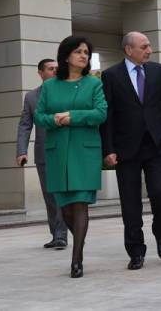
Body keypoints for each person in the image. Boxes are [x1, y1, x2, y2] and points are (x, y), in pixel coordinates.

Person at [100, 32, 161, 271]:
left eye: (149, 46)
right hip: (126, 149)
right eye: (144, 46)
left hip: (156, 146)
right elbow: (108, 116)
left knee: (159, 194)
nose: (149, 50)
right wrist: (109, 148)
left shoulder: (158, 71)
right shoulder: (111, 76)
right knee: (130, 202)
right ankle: (135, 251)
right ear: (128, 50)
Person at [34, 36, 107, 278]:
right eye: (78, 51)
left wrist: (73, 116)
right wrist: (54, 120)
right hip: (58, 152)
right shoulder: (49, 86)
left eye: (86, 52)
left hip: (84, 152)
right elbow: (39, 116)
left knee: (80, 204)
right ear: (66, 56)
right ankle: (80, 243)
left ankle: (77, 260)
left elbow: (100, 113)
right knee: (64, 210)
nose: (84, 55)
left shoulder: (93, 84)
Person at [16, 58, 68, 249]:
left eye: (57, 68)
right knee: (49, 196)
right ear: (40, 73)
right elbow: (24, 125)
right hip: (44, 153)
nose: (55, 71)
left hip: (65, 151)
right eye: (50, 68)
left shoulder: (67, 92)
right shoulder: (31, 97)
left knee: (61, 193)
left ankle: (62, 234)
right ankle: (55, 234)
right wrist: (21, 151)